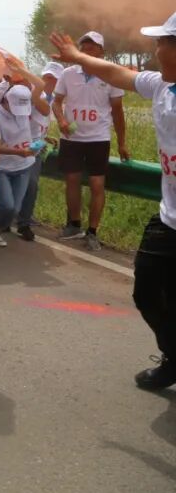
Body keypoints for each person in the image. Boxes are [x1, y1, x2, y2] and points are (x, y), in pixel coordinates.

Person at [49, 19, 176, 390]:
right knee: (147, 292)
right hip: (170, 219)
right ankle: (174, 356)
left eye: (162, 43)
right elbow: (115, 72)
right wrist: (76, 57)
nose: (156, 49)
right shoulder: (161, 85)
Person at [52, 31, 129, 251]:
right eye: (83, 45)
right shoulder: (68, 74)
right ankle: (74, 225)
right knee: (72, 180)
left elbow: (118, 112)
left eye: (92, 46)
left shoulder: (110, 74)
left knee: (97, 184)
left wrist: (122, 143)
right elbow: (56, 102)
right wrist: (61, 120)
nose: (87, 49)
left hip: (98, 137)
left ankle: (92, 232)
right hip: (72, 137)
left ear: (101, 51)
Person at [0, 84, 39, 247]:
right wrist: (18, 152)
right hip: (1, 168)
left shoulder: (24, 113)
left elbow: (26, 136)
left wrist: (37, 144)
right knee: (6, 204)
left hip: (23, 166)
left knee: (15, 209)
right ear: (6, 100)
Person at [14, 61, 62, 241]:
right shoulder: (33, 93)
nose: (49, 80)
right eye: (46, 76)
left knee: (32, 184)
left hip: (38, 145)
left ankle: (23, 221)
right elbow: (39, 111)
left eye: (53, 78)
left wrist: (46, 137)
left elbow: (39, 120)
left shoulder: (53, 97)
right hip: (23, 144)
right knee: (25, 182)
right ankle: (13, 217)